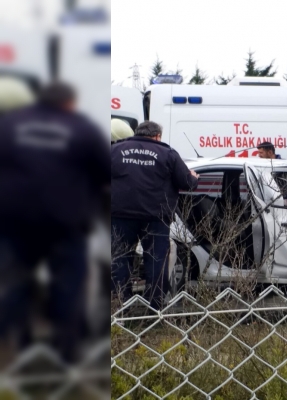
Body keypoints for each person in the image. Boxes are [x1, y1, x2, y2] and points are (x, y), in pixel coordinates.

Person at [0, 81, 110, 363]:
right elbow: (104, 173)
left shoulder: (10, 124)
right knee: (69, 286)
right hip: (65, 224)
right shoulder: (82, 128)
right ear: (70, 103)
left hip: (16, 222)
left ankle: (15, 348)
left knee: (15, 283)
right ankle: (66, 354)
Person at [111, 121, 199, 311]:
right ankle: (153, 310)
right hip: (156, 218)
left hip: (120, 216)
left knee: (119, 260)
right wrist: (193, 175)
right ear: (157, 136)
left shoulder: (115, 150)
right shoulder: (167, 154)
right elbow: (188, 183)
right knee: (156, 263)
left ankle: (120, 306)